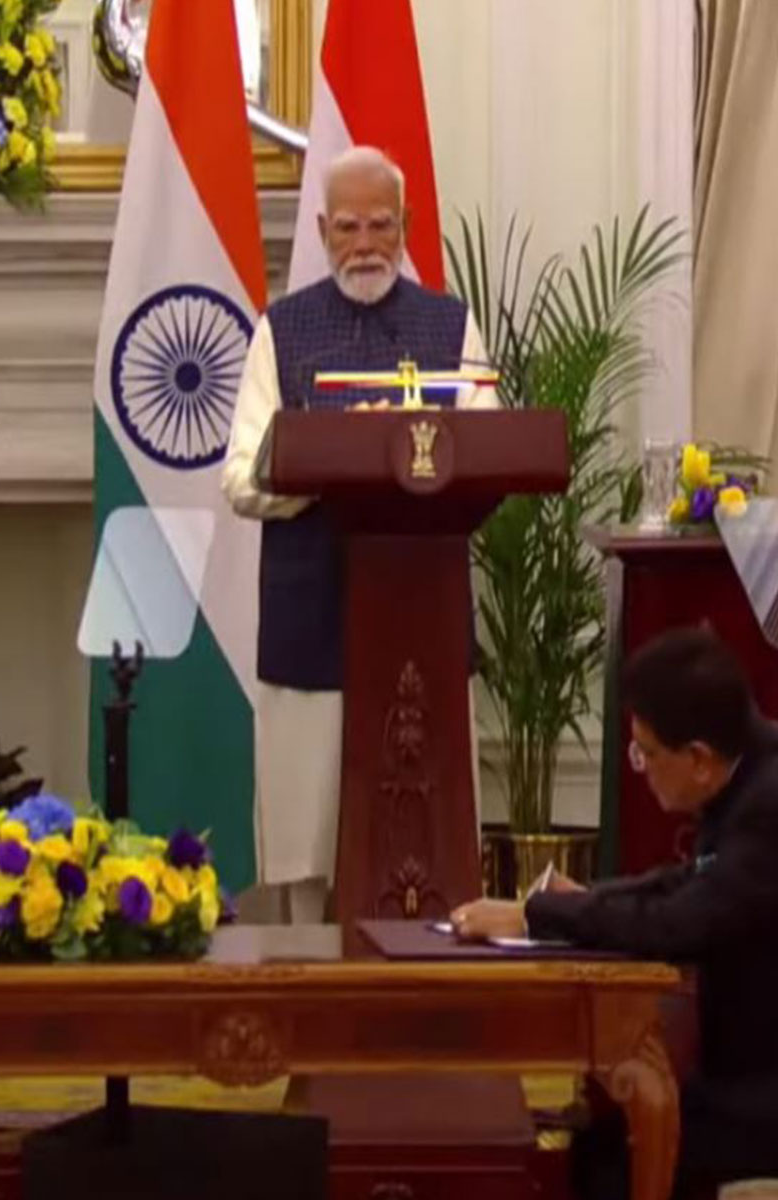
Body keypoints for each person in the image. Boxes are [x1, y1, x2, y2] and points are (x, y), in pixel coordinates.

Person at [219, 145, 497, 922]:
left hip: (423, 625)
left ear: (405, 226)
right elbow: (240, 476)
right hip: (312, 627)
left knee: (427, 837)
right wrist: (330, 465)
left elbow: (487, 451)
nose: (366, 244)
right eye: (348, 227)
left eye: (380, 225)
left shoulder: (450, 326)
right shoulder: (284, 328)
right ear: (321, 229)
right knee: (310, 853)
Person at [454, 628, 778, 1197]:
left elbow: (678, 924)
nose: (640, 766)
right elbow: (685, 882)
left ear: (698, 759)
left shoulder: (769, 804)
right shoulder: (751, 775)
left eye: (646, 754)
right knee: (600, 1141)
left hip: (762, 1095)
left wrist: (539, 915)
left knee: (613, 1158)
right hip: (744, 1079)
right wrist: (573, 903)